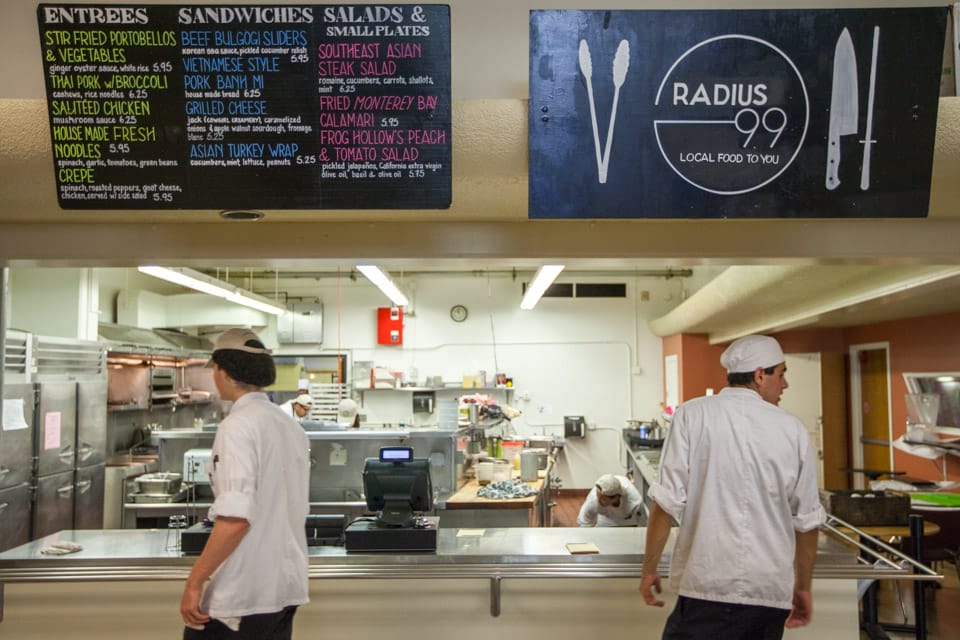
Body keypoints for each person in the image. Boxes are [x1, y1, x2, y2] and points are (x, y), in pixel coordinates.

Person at [640, 334, 825, 640]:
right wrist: (803, 587)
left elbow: (665, 503)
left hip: (705, 585)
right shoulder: (793, 429)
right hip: (768, 593)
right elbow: (807, 522)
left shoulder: (691, 414)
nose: (785, 384)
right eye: (782, 374)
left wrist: (649, 568)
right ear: (759, 375)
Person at [180, 328, 310, 640]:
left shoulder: (237, 427)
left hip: (243, 595)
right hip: (284, 588)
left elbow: (236, 518)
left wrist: (195, 581)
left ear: (223, 372)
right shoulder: (289, 426)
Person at [577, 473, 644, 527]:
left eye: (603, 499)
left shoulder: (634, 502)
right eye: (598, 496)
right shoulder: (593, 500)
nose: (599, 501)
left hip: (628, 520)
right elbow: (585, 524)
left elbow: (644, 525)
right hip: (605, 519)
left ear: (616, 497)